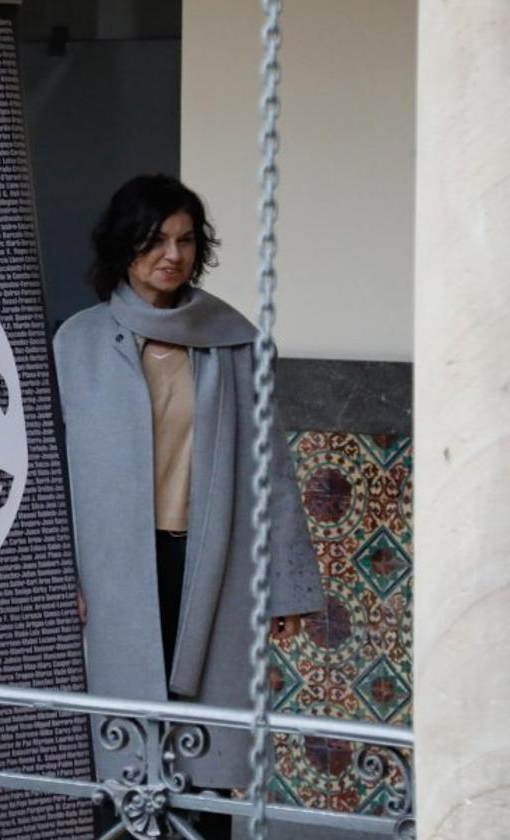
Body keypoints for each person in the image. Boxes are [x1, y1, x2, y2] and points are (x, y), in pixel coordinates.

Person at [53, 174, 324, 838]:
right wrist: (59, 579)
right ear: (124, 247)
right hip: (112, 576)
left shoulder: (232, 342)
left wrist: (282, 590)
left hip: (209, 570)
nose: (171, 255)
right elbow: (46, 473)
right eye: (154, 240)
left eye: (184, 240)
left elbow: (271, 471)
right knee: (118, 749)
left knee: (204, 751)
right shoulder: (76, 344)